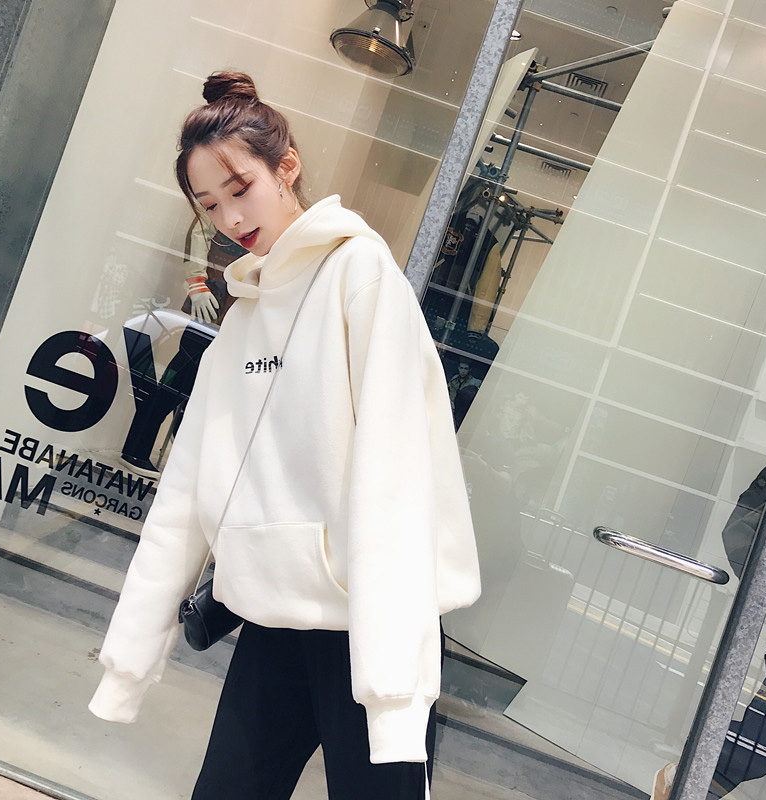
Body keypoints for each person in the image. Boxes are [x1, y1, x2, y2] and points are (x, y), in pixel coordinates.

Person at [88, 71, 481, 800]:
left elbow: (396, 480)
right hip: (271, 619)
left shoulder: (360, 275)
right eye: (210, 205)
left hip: (368, 627)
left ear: (287, 166)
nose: (230, 217)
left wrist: (395, 690)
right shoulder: (244, 316)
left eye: (240, 188)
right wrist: (130, 660)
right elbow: (186, 492)